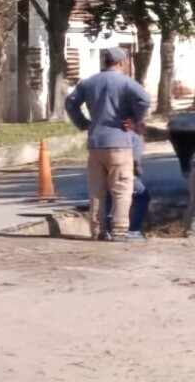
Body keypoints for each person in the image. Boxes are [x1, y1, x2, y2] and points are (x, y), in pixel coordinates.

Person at [65, 46, 150, 242]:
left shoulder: (89, 82)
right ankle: (120, 230)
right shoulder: (126, 82)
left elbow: (70, 103)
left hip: (95, 143)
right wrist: (135, 119)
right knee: (121, 188)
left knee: (97, 190)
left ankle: (98, 230)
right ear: (121, 62)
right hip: (119, 143)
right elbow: (144, 100)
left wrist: (83, 123)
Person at [104, 135, 151, 239]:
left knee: (109, 197)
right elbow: (135, 158)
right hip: (123, 168)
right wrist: (137, 170)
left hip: (102, 163)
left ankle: (106, 229)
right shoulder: (134, 133)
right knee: (141, 195)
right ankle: (133, 230)